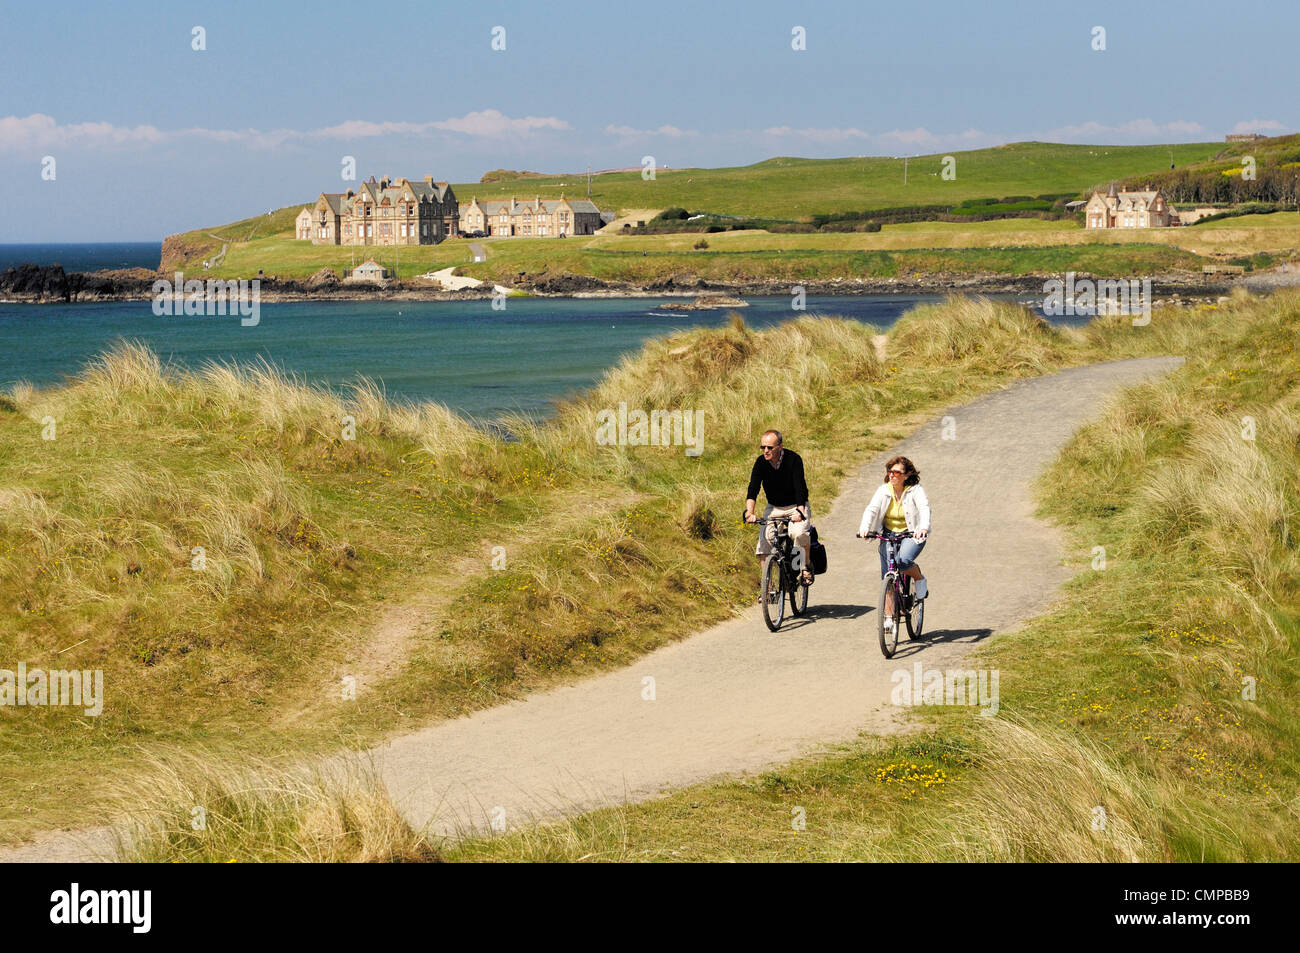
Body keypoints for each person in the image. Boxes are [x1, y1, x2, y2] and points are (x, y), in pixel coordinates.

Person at [856, 455, 930, 636]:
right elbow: (871, 509)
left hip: (911, 533)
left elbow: (924, 508)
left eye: (897, 472)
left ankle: (919, 578)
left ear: (906, 475)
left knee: (903, 560)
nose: (892, 475)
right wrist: (865, 528)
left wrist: (923, 528)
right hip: (888, 534)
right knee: (887, 577)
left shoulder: (915, 490)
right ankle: (888, 619)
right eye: (890, 471)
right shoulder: (884, 490)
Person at [744, 429, 813, 588]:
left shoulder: (793, 459)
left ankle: (805, 566)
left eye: (770, 448)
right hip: (774, 507)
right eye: (763, 448)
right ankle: (767, 587)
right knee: (764, 543)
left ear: (780, 446)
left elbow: (800, 488)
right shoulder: (761, 463)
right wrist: (750, 512)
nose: (765, 451)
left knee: (798, 533)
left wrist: (800, 511)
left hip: (795, 505)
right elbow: (753, 489)